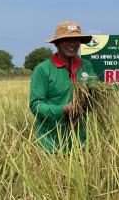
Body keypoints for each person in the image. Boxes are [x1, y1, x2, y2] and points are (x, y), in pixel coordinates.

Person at [29, 21, 95, 152]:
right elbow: (36, 106)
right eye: (66, 39)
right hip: (51, 145)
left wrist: (91, 102)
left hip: (81, 143)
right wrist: (62, 110)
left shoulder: (87, 66)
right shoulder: (43, 70)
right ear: (56, 43)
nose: (72, 43)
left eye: (76, 39)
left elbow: (93, 95)